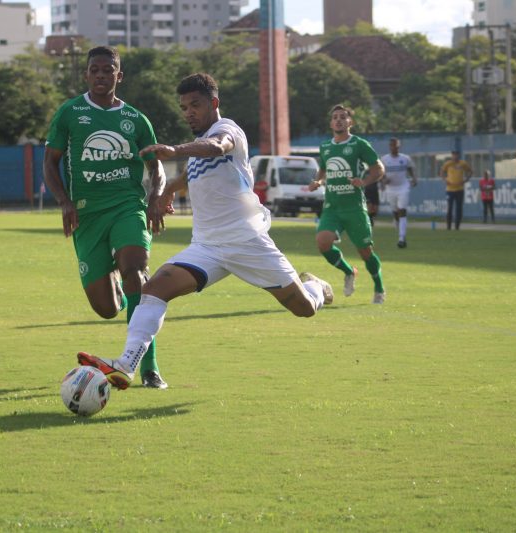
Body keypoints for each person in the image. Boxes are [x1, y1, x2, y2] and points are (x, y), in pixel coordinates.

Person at [76, 73, 334, 390]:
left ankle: (317, 288)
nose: (188, 112)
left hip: (247, 241)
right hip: (207, 247)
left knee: (303, 309)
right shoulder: (199, 150)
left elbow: (215, 147)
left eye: (195, 105)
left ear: (213, 103)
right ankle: (126, 365)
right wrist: (169, 189)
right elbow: (191, 171)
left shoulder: (228, 131)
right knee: (154, 288)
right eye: (184, 107)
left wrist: (174, 149)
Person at [43, 45, 168, 389]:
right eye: (94, 70)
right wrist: (64, 202)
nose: (101, 75)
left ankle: (147, 368)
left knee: (136, 272)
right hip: (87, 215)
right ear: (87, 75)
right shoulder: (70, 113)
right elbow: (50, 162)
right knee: (106, 309)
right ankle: (114, 271)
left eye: (107, 70)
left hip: (128, 206)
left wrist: (155, 197)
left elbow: (155, 165)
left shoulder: (136, 120)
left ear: (119, 75)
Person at [309, 104, 386, 304]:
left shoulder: (359, 144)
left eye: (343, 117)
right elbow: (324, 169)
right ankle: (349, 271)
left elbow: (378, 169)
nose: (339, 120)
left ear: (350, 122)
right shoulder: (325, 146)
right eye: (335, 117)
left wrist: (365, 182)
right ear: (330, 123)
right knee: (322, 242)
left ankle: (379, 287)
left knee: (365, 252)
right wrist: (318, 180)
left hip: (354, 207)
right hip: (332, 207)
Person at [380, 137, 417, 247]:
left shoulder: (405, 158)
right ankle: (399, 227)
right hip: (390, 189)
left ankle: (401, 238)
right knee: (395, 213)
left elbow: (411, 169)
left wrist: (414, 179)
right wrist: (383, 180)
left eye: (396, 145)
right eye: (392, 145)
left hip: (403, 187)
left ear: (399, 146)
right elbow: (380, 173)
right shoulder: (384, 159)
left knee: (402, 211)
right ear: (389, 146)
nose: (394, 147)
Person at [440, 150, 472, 230]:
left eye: (456, 155)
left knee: (459, 208)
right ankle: (448, 227)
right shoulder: (448, 163)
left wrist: (466, 180)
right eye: (453, 155)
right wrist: (445, 179)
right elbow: (441, 172)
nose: (455, 156)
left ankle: (457, 227)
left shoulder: (463, 163)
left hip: (459, 189)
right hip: (450, 190)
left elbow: (470, 171)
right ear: (452, 156)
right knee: (449, 208)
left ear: (458, 155)